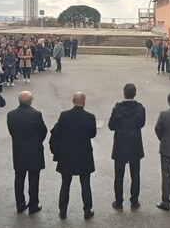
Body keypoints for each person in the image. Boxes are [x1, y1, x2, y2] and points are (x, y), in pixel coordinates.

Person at [50, 92, 97, 220]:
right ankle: (87, 210)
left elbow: (58, 132)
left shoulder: (64, 116)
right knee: (85, 182)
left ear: (72, 101)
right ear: (84, 102)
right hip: (84, 153)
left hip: (67, 154)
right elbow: (93, 134)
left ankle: (63, 210)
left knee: (65, 182)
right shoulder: (90, 117)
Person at [7, 91, 47, 214]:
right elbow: (43, 131)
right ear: (30, 101)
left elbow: (11, 131)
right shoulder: (36, 114)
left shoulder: (11, 114)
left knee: (19, 177)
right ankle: (33, 204)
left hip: (18, 149)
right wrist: (37, 141)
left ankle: (20, 204)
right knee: (33, 178)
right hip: (34, 149)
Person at [108, 83, 146, 211]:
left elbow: (111, 126)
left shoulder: (117, 108)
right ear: (134, 94)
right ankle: (134, 201)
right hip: (134, 143)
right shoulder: (140, 108)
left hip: (120, 143)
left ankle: (119, 201)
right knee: (135, 174)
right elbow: (142, 123)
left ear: (124, 93)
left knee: (119, 175)